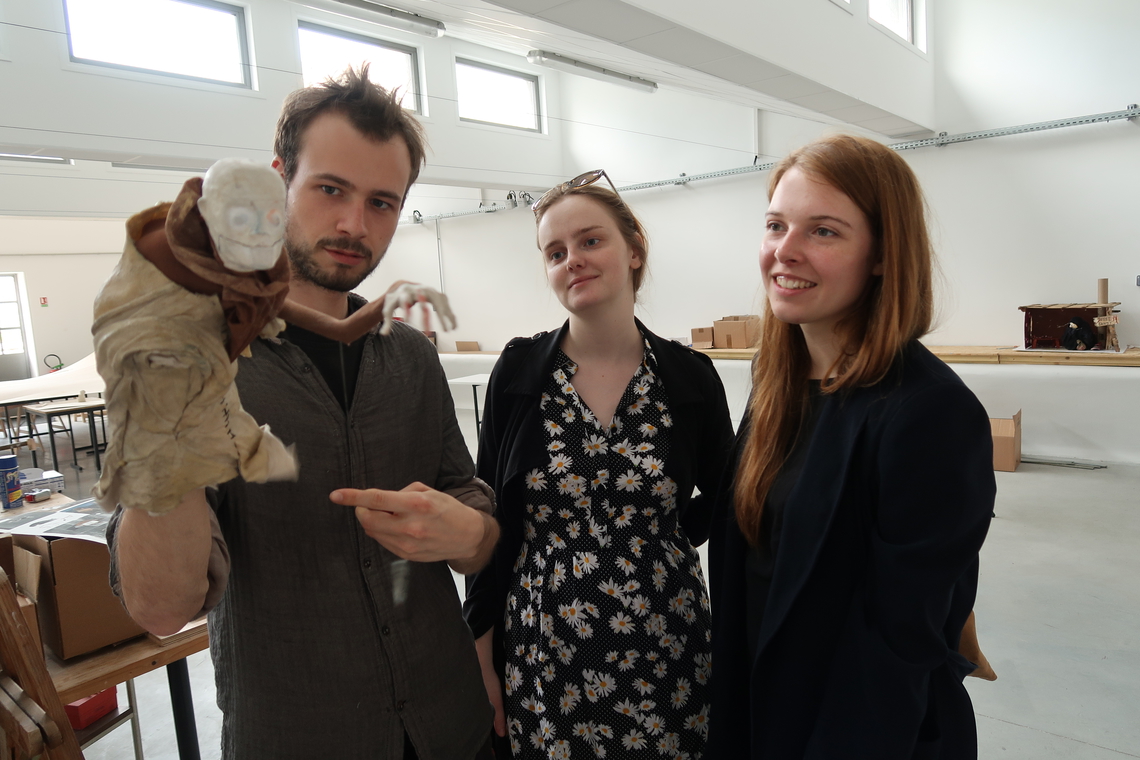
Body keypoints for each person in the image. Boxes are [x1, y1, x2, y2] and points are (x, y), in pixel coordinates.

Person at [107, 67, 499, 760]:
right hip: (298, 733)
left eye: (382, 202)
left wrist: (471, 534)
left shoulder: (411, 356)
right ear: (276, 183)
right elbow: (162, 607)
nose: (354, 224)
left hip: (450, 725)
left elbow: (467, 502)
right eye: (330, 189)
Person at [707, 133, 995, 758]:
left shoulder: (931, 414)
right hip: (763, 716)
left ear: (884, 254)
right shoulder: (778, 383)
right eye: (776, 225)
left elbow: (896, 648)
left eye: (823, 231)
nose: (785, 250)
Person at [464, 171, 734, 759]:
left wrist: (660, 539)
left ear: (634, 249)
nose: (573, 261)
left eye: (590, 240)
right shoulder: (519, 374)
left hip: (667, 651)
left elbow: (729, 501)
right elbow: (487, 519)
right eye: (555, 252)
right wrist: (481, 650)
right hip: (544, 657)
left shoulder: (688, 377)